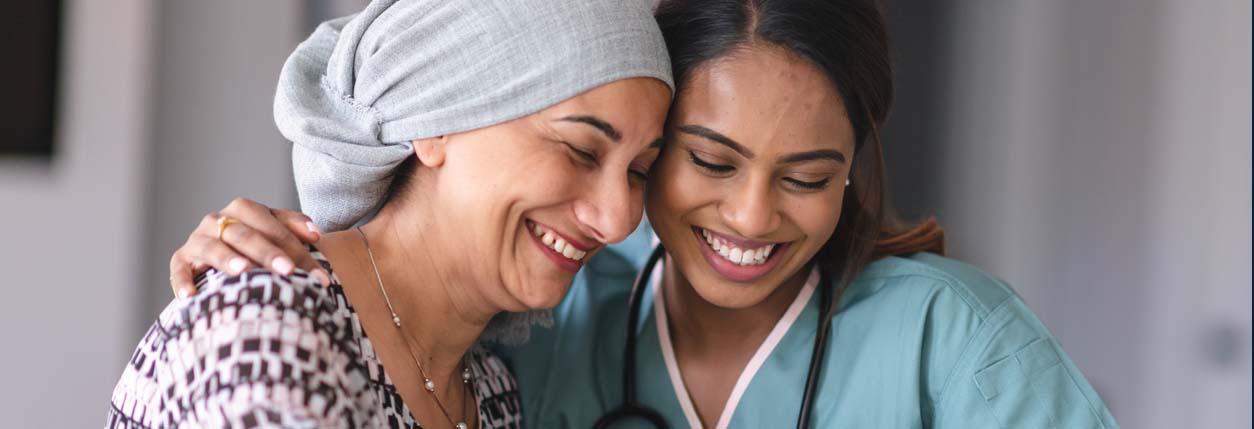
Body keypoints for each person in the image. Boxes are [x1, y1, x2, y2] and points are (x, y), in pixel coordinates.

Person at [163, 0, 1119, 427]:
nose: (751, 213)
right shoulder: (540, 331)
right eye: (704, 158)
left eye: (808, 175)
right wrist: (263, 279)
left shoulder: (956, 342)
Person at [105, 0, 672, 427]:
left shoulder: (490, 389)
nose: (618, 216)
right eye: (580, 150)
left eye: (639, 171)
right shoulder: (267, 333)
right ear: (435, 121)